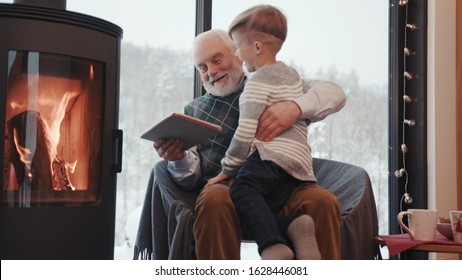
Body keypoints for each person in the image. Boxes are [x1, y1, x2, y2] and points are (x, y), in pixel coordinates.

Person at [133, 28, 346, 260]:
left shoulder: (271, 83)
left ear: (238, 55)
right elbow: (192, 177)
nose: (211, 71)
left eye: (216, 59)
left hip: (284, 183)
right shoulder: (193, 112)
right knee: (214, 199)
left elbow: (334, 93)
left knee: (321, 201)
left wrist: (295, 107)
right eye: (202, 67)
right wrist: (178, 158)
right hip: (225, 190)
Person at [205, 5, 320, 260]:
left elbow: (245, 132)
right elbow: (310, 111)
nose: (239, 55)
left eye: (237, 48)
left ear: (256, 48)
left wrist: (227, 169)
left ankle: (272, 247)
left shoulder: (257, 83)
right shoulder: (294, 76)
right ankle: (294, 225)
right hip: (299, 166)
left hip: (271, 157)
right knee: (260, 206)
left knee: (241, 190)